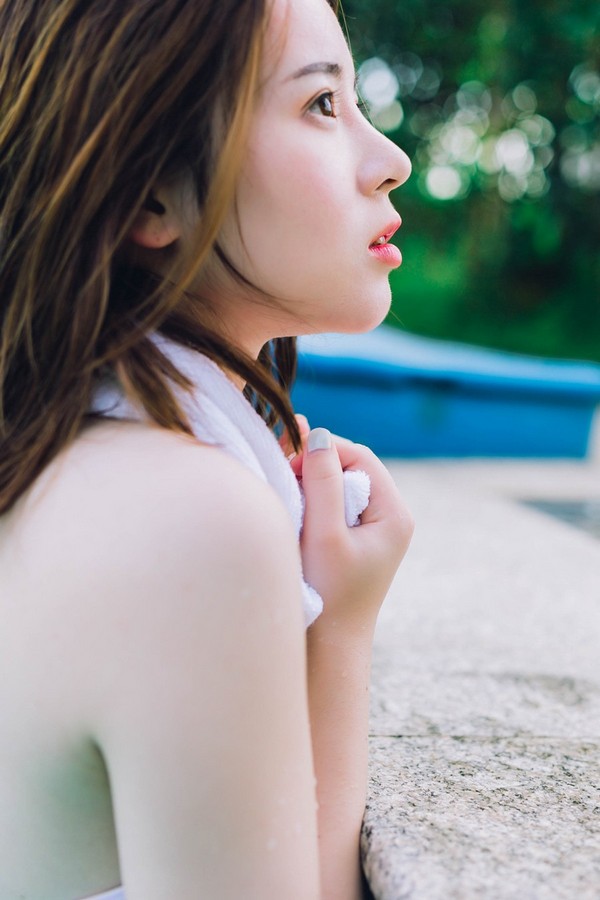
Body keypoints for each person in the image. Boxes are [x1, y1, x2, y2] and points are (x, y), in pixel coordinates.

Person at [0, 0, 413, 897]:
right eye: (321, 104)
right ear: (154, 193)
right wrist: (342, 635)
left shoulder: (60, 448)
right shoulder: (186, 521)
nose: (392, 160)